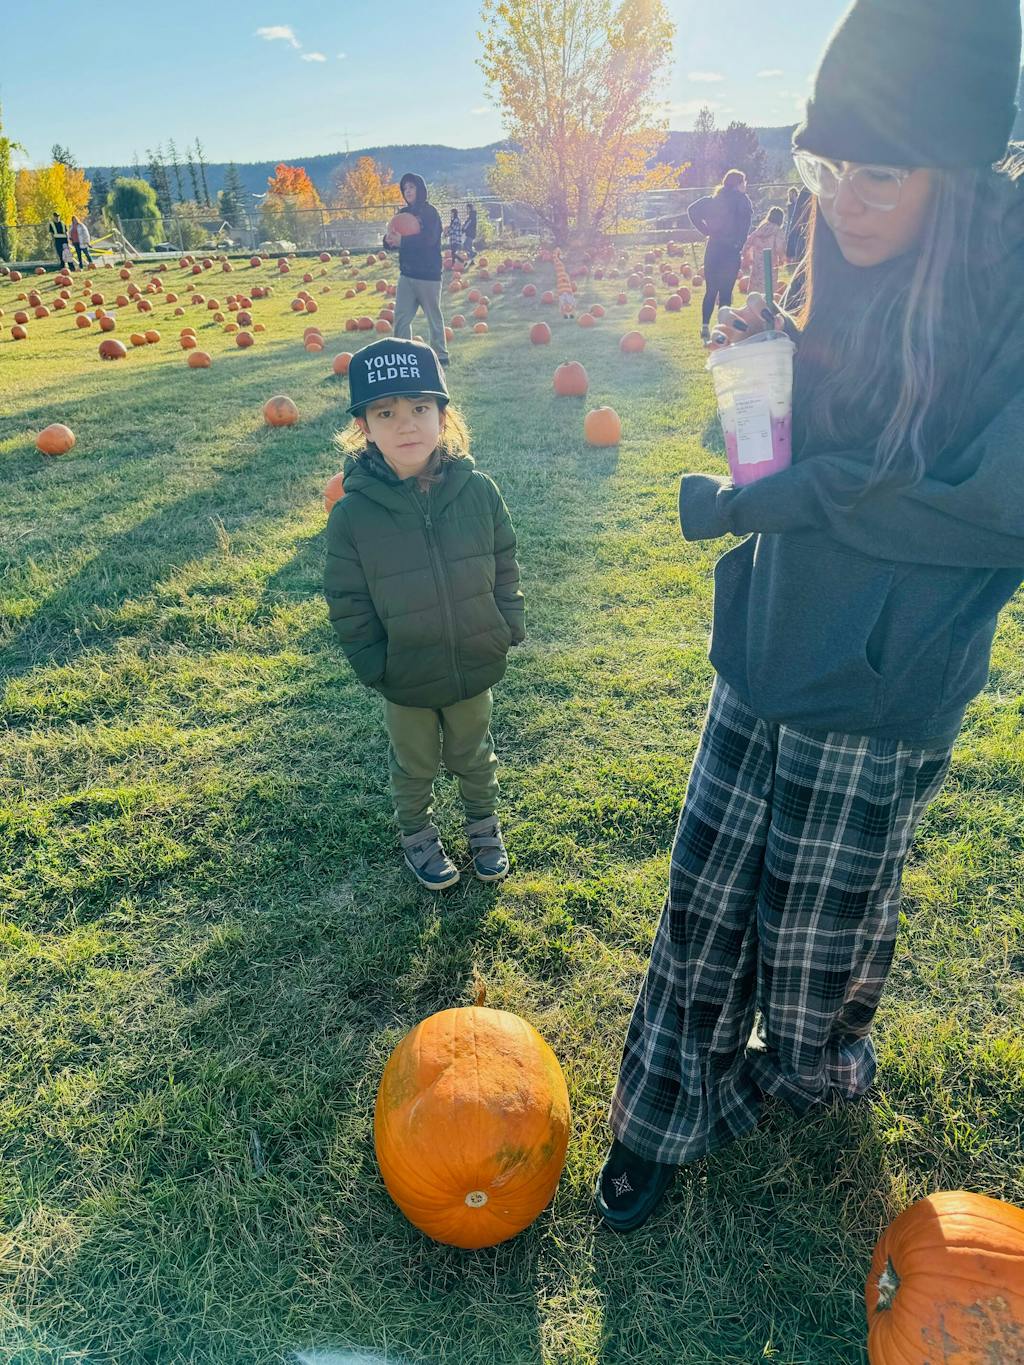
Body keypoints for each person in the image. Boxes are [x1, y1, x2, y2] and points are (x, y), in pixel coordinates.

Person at [594, 0, 1024, 1233]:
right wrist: (763, 375)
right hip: (770, 640)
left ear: (954, 172)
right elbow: (807, 461)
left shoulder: (1002, 305)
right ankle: (662, 1114)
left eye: (879, 172)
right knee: (706, 891)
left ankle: (805, 1074)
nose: (843, 200)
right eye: (824, 166)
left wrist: (790, 495)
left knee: (819, 930)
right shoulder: (832, 250)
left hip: (885, 676)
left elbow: (985, 512)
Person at [323, 338, 525, 891]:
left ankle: (483, 826)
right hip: (404, 671)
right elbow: (347, 599)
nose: (405, 425)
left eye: (419, 409)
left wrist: (508, 624)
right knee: (414, 763)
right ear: (364, 426)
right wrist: (374, 663)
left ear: (443, 416)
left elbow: (504, 562)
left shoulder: (479, 493)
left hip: (474, 657)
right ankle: (417, 833)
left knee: (473, 753)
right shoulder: (353, 514)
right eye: (386, 413)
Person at [383, 173, 450, 366]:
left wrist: (403, 241)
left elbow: (429, 239)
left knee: (433, 316)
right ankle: (404, 356)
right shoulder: (402, 213)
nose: (408, 191)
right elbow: (393, 236)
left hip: (428, 274)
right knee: (401, 318)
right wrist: (389, 241)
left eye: (411, 187)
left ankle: (441, 355)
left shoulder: (430, 213)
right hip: (407, 274)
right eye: (405, 189)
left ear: (420, 189)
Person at [687, 169, 753, 339]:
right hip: (730, 252)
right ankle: (721, 330)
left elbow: (692, 210)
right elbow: (745, 226)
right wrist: (739, 244)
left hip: (714, 249)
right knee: (725, 292)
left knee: (710, 290)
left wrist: (706, 231)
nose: (745, 185)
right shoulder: (742, 200)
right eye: (743, 182)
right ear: (738, 184)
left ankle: (704, 326)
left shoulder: (713, 200)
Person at [742, 206, 788, 290]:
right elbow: (780, 248)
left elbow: (748, 243)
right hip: (770, 265)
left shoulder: (760, 228)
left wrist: (747, 257)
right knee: (768, 290)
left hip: (757, 265)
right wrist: (782, 259)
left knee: (755, 291)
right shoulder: (778, 231)